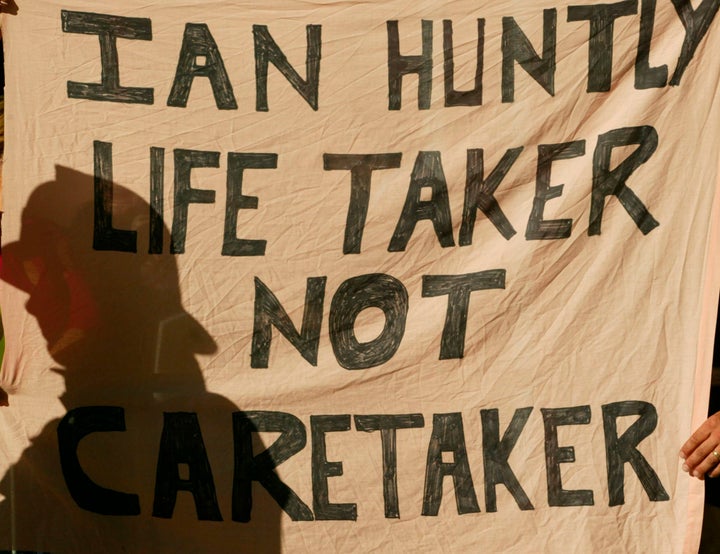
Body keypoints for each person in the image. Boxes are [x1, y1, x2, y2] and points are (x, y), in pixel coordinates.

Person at [0, 167, 283, 552]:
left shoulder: (95, 437)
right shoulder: (73, 432)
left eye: (51, 282)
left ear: (107, 296)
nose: (32, 305)